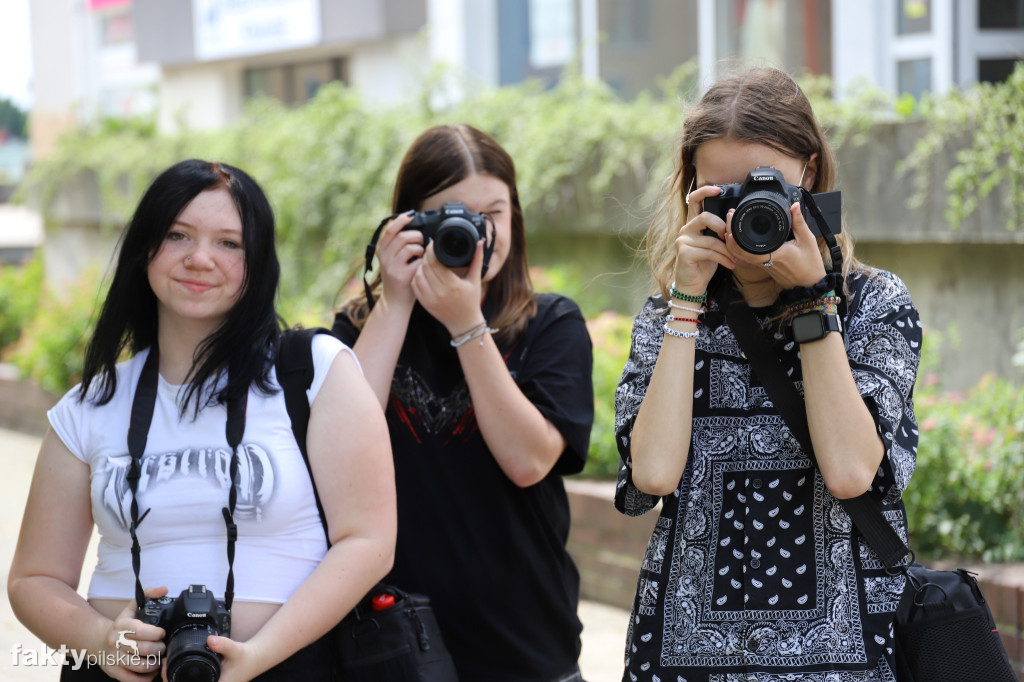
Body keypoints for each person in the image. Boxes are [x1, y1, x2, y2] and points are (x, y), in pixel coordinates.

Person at [8, 159, 396, 681]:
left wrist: (257, 656)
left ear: (257, 262)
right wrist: (99, 640)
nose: (199, 259)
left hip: (289, 666)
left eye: (229, 243)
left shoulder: (314, 372)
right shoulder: (89, 405)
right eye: (177, 235)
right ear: (144, 248)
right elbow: (34, 578)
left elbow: (369, 540)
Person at [614, 67, 921, 681]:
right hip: (683, 651)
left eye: (764, 188)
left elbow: (851, 471)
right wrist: (685, 303)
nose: (743, 215)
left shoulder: (877, 305)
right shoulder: (668, 315)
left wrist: (814, 306)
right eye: (721, 194)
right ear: (693, 188)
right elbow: (651, 475)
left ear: (808, 172)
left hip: (842, 657)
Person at [332, 123, 594, 681]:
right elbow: (342, 445)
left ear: (515, 216)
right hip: (394, 647)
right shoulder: (360, 328)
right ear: (407, 223)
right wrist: (396, 303)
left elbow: (528, 463)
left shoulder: (551, 324)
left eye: (493, 213)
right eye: (453, 215)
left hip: (525, 647)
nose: (478, 234)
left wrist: (467, 323)